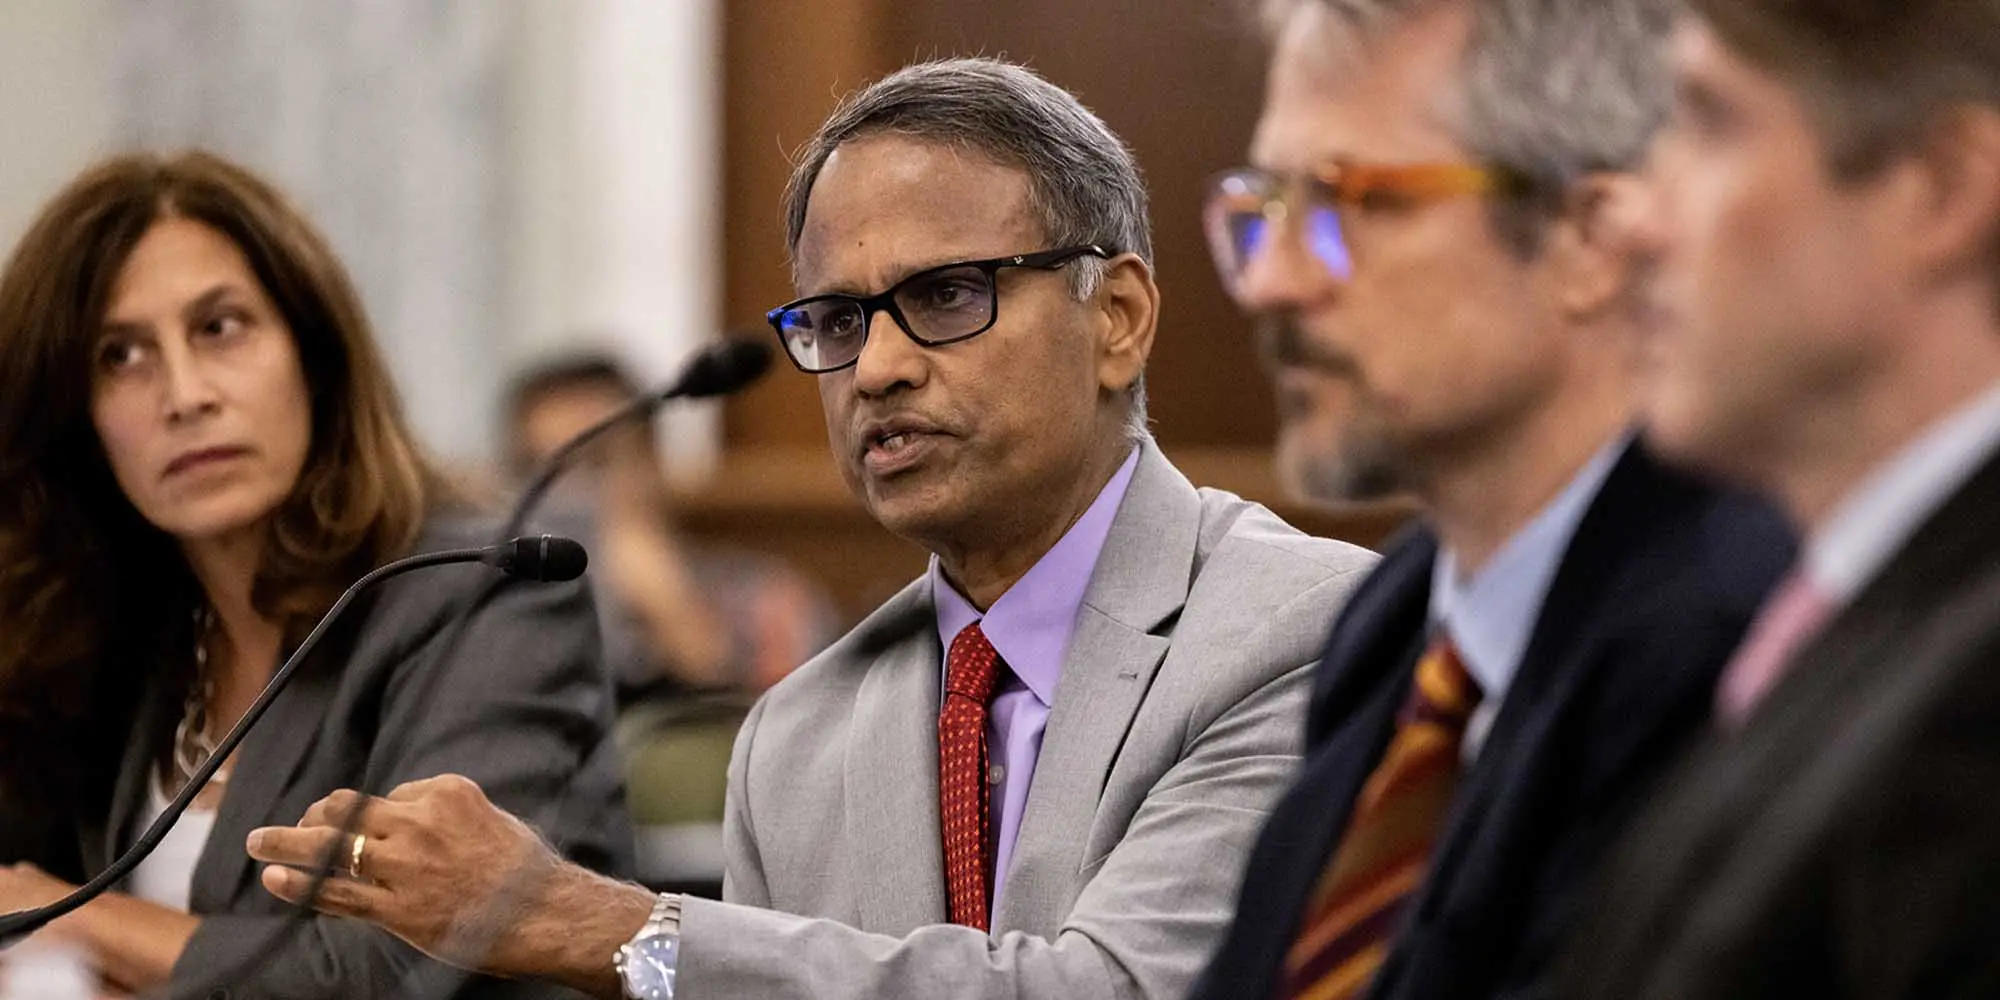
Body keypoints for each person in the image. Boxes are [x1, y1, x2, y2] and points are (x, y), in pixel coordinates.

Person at [245, 57, 1378, 999]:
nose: (877, 367)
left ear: (1118, 318)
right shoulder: (796, 735)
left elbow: (1113, 990)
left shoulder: (1305, 631)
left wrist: (605, 926)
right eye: (836, 319)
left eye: (945, 296)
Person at [1187, 2, 1796, 999]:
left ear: (1589, 240)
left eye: (1348, 203)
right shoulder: (1394, 622)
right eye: (1264, 206)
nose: (1270, 282)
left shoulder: (1731, 646)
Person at [0, 151, 630, 999]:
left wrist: (69, 917)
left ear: (314, 355)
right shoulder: (126, 630)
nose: (183, 394)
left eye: (220, 328)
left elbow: (401, 967)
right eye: (121, 355)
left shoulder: (486, 592)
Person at [1556, 2, 2000, 996]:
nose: (1631, 217)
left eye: (1708, 123)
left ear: (1939, 187)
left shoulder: (1973, 714)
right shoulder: (1862, 622)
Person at [503, 351, 838, 702]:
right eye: (542, 475)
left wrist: (674, 612)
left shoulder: (769, 603)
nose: (571, 497)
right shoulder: (502, 618)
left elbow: (795, 742)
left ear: (654, 461)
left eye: (597, 464)